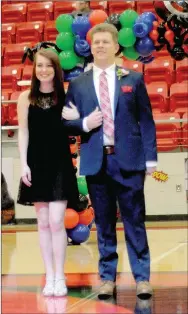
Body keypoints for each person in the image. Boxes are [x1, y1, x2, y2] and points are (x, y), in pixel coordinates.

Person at [62, 23, 157, 300]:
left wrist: (150, 158)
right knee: (103, 224)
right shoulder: (77, 85)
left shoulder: (133, 79)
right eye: (96, 42)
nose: (100, 45)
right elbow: (65, 124)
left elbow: (147, 122)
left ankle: (142, 278)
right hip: (96, 162)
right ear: (90, 47)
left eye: (105, 41)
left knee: (134, 221)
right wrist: (83, 123)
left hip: (129, 161)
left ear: (116, 46)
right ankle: (106, 278)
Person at [17, 49, 79, 297]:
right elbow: (23, 132)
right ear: (34, 69)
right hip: (36, 164)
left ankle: (61, 276)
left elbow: (76, 126)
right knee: (42, 223)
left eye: (48, 66)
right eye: (39, 66)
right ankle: (50, 276)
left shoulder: (65, 96)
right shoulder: (25, 98)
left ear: (56, 69)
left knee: (56, 221)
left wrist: (75, 117)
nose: (43, 70)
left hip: (60, 164)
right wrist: (23, 164)